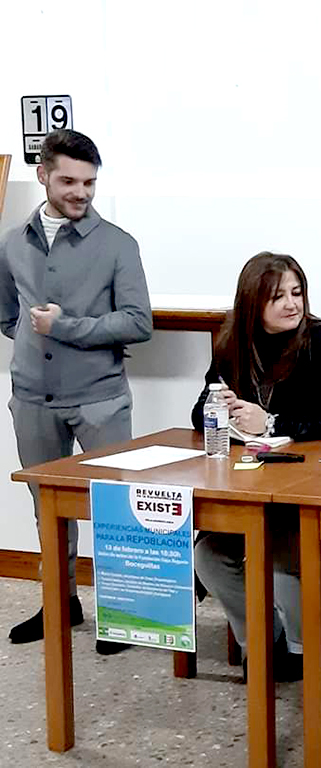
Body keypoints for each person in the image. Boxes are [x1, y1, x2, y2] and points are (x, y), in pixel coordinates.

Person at [0, 129, 152, 653]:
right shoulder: (11, 242)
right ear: (43, 175)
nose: (80, 192)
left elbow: (138, 323)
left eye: (89, 182)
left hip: (100, 400)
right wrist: (30, 344)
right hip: (32, 398)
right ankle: (59, 603)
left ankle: (122, 612)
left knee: (115, 508)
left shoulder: (118, 245)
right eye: (68, 180)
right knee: (47, 506)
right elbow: (7, 314)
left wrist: (65, 329)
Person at [191, 252, 321, 681]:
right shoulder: (232, 343)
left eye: (297, 293)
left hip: (307, 493)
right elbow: (197, 413)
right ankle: (261, 641)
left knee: (281, 554)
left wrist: (273, 422)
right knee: (207, 554)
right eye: (278, 296)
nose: (291, 304)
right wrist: (218, 406)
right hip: (249, 488)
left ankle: (303, 650)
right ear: (252, 303)